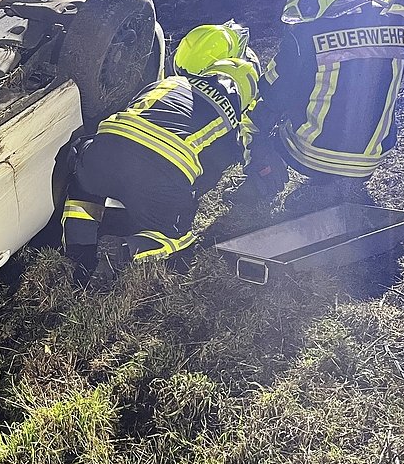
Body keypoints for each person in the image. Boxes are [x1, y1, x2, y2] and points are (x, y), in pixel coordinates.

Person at [61, 26, 257, 277]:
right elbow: (204, 180)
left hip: (106, 149)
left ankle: (79, 250)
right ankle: (125, 250)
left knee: (84, 184)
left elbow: (134, 105)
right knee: (179, 237)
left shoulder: (172, 83)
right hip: (160, 174)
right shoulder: (231, 128)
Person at [240, 0, 404, 202]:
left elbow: (273, 93)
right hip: (370, 159)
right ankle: (340, 184)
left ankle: (260, 185)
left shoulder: (305, 35)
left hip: (311, 155)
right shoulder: (399, 25)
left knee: (257, 119)